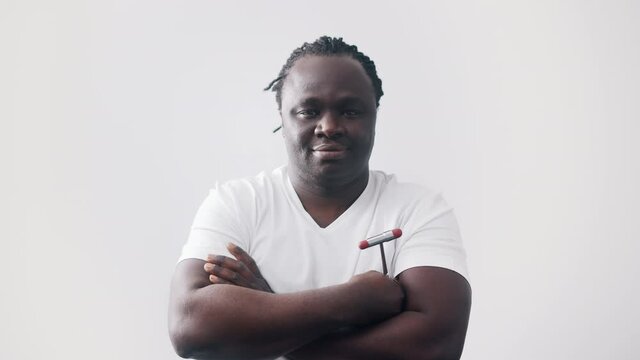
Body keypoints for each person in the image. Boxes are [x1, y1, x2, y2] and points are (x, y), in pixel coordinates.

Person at [168, 36, 471, 360]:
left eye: (350, 111)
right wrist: (353, 300)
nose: (328, 126)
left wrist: (268, 310)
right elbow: (192, 327)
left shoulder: (419, 210)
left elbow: (436, 347)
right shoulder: (237, 203)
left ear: (374, 115)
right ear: (282, 117)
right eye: (309, 111)